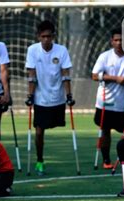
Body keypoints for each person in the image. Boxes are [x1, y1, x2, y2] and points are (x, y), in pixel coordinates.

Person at [25, 20, 74, 175]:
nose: (46, 39)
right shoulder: (33, 50)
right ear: (39, 36)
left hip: (58, 98)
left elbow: (65, 74)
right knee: (39, 132)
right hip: (40, 98)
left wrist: (69, 95)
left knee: (54, 126)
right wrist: (30, 95)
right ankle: (40, 160)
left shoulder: (61, 50)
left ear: (53, 36)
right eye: (43, 36)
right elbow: (31, 75)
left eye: (49, 36)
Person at [92, 28, 124, 169]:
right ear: (111, 41)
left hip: (121, 103)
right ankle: (106, 160)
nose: (119, 43)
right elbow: (95, 75)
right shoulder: (104, 56)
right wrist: (115, 78)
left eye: (122, 40)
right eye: (116, 40)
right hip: (104, 101)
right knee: (105, 130)